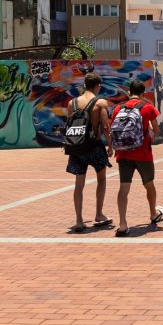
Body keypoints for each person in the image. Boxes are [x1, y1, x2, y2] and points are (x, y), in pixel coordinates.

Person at [111, 80, 163, 237]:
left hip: (123, 154)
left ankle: (122, 224)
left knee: (124, 188)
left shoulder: (118, 108)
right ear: (143, 93)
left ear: (129, 92)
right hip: (143, 154)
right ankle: (153, 214)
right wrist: (148, 132)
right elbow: (157, 130)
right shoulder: (147, 107)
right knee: (149, 185)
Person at [64, 73, 114, 233]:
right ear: (97, 86)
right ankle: (99, 214)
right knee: (101, 179)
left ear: (85, 85)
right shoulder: (100, 102)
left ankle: (79, 220)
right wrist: (110, 145)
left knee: (79, 185)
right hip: (94, 145)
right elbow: (105, 126)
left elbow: (70, 123)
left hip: (77, 146)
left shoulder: (71, 103)